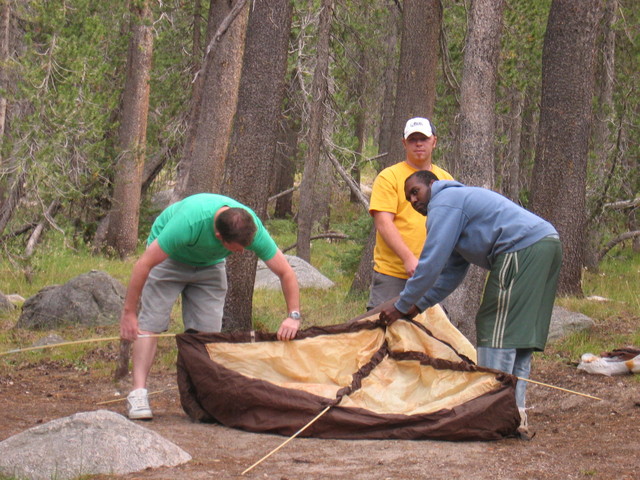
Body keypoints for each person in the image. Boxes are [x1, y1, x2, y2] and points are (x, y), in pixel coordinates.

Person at [379, 170, 562, 437]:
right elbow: (451, 273)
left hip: (521, 247)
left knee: (494, 327)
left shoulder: (445, 202)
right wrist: (419, 306)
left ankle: (491, 412)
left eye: (415, 191)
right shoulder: (457, 207)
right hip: (545, 244)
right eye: (408, 198)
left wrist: (400, 304)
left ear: (432, 184)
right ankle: (515, 414)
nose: (413, 201)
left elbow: (430, 265)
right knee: (518, 337)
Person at [120, 193, 301, 420]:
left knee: (206, 335)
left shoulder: (249, 227)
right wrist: (129, 313)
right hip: (169, 259)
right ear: (218, 236)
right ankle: (138, 393)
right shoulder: (188, 223)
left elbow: (285, 272)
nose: (242, 252)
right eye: (236, 248)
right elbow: (143, 264)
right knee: (151, 324)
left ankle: (203, 398)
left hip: (209, 267)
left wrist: (293, 315)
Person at [367, 117, 453, 310]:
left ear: (434, 141)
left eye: (423, 138)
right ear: (404, 143)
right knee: (382, 333)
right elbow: (383, 223)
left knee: (432, 335)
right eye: (413, 139)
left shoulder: (445, 179)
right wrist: (408, 259)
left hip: (433, 274)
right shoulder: (389, 177)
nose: (419, 144)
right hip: (393, 274)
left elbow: (452, 225)